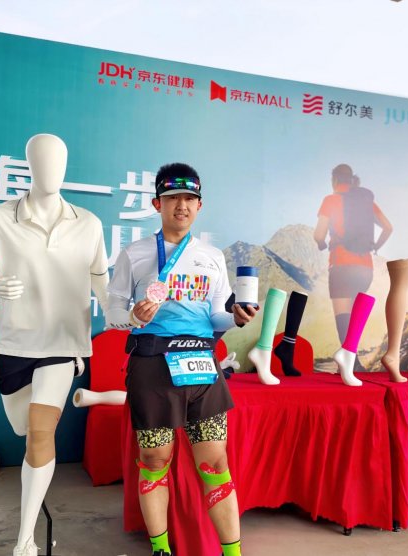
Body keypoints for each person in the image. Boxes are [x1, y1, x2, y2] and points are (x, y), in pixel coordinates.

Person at [106, 163, 256, 556]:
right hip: (152, 365)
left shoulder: (211, 257)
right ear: (157, 203)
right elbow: (112, 311)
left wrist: (236, 318)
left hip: (202, 365)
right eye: (173, 197)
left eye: (190, 198)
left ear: (199, 205)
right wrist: (132, 317)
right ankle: (161, 548)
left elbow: (217, 316)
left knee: (214, 462)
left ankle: (233, 552)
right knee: (155, 458)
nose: (181, 205)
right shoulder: (135, 254)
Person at [0, 133, 109, 556]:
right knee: (23, 428)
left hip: (63, 344)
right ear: (28, 166)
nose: (50, 169)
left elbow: (101, 282)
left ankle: (24, 540)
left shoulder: (88, 223)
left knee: (40, 433)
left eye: (57, 161)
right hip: (13, 346)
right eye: (41, 160)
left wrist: (125, 315)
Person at [314, 164, 392, 371]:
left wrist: (322, 244)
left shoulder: (331, 200)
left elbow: (318, 234)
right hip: (365, 268)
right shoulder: (366, 201)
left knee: (344, 315)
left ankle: (351, 362)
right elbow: (388, 227)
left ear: (334, 180)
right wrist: (376, 246)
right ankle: (350, 363)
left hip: (341, 264)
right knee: (355, 315)